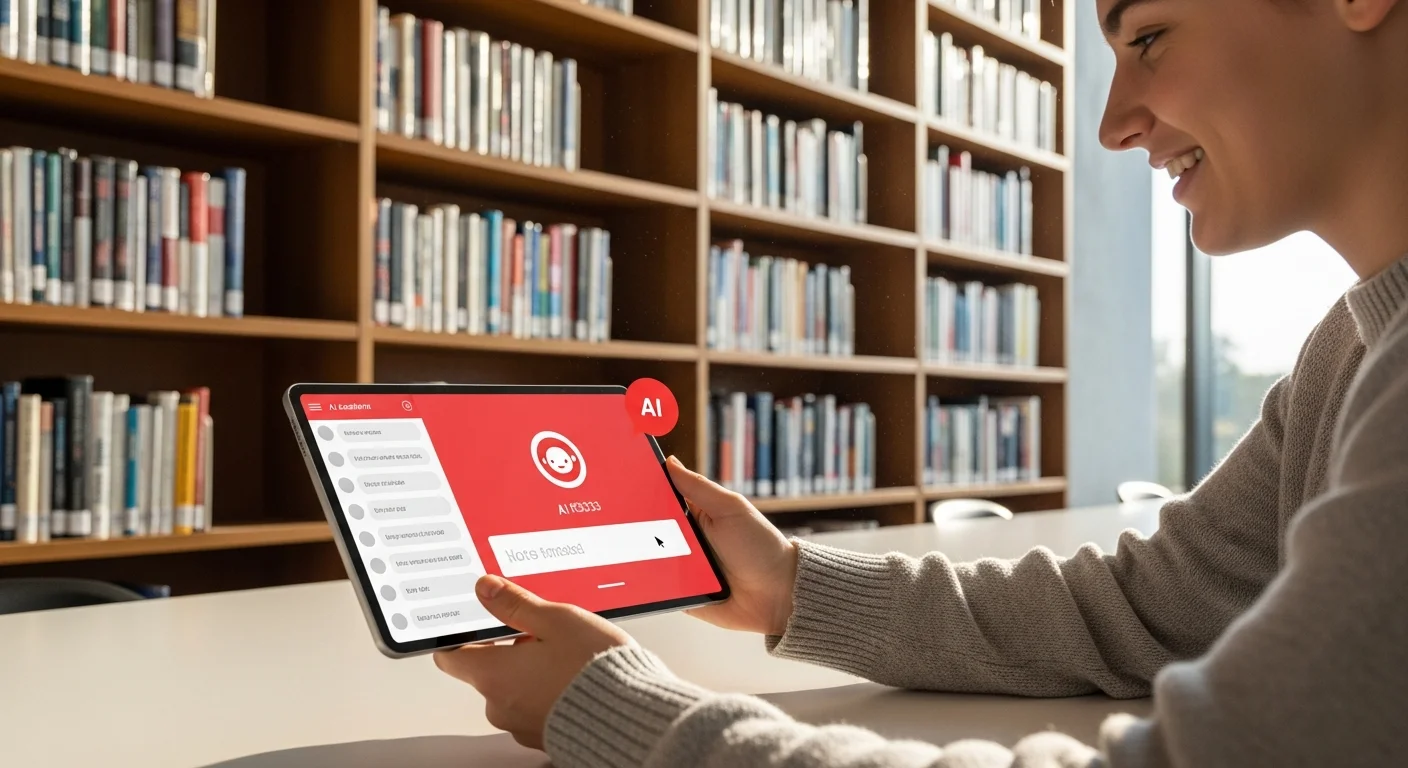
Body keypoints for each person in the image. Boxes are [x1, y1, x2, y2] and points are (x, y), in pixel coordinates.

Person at [434, 0, 1408, 764]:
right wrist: (786, 586)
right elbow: (1147, 607)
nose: (1112, 124)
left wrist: (622, 717)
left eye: (1148, 36)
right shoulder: (1349, 349)